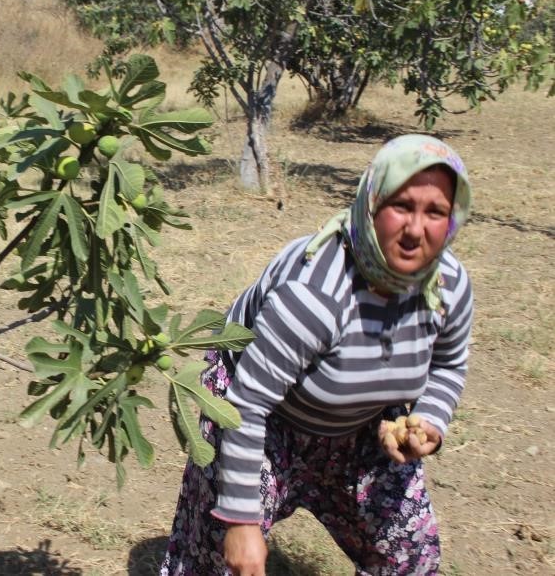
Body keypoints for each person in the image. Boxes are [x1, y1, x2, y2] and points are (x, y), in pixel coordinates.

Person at [160, 134, 474, 576]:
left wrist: (429, 424)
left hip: (360, 426)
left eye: (435, 212)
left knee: (410, 555)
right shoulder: (317, 293)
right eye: (401, 206)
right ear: (372, 201)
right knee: (217, 561)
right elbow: (247, 404)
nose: (416, 229)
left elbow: (448, 365)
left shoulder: (449, 287)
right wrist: (240, 521)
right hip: (262, 420)